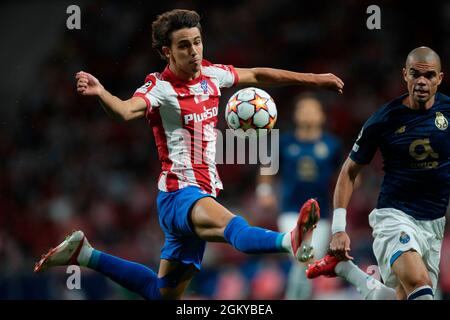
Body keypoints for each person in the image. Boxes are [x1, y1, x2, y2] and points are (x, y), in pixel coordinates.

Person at [33, 9, 344, 300]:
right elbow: (125, 111)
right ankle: (288, 240)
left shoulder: (212, 75)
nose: (194, 51)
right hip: (179, 192)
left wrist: (316, 79)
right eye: (184, 46)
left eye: (197, 42)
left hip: (198, 193)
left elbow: (260, 76)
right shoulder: (160, 87)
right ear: (167, 51)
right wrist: (102, 93)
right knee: (234, 226)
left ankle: (85, 255)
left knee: (161, 294)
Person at [306, 46, 448, 300]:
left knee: (402, 296)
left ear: (440, 78)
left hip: (434, 223)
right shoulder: (383, 120)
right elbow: (349, 172)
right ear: (405, 75)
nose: (422, 82)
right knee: (420, 285)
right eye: (415, 74)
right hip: (395, 217)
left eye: (429, 76)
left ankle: (345, 270)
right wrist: (339, 228)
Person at [257, 93, 342, 299]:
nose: (307, 114)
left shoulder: (332, 145)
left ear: (322, 116)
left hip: (321, 216)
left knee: (306, 263)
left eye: (312, 109)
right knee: (303, 256)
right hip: (289, 211)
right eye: (303, 109)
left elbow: (344, 175)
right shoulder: (284, 143)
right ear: (296, 115)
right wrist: (265, 192)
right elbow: (268, 169)